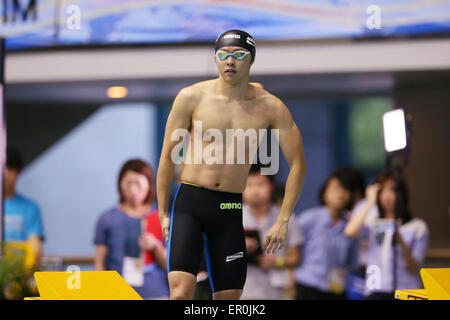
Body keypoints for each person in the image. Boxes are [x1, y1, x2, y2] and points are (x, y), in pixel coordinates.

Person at [156, 29, 307, 300]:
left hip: (229, 206)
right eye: (223, 55)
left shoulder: (271, 107)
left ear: (251, 60)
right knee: (180, 294)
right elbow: (168, 156)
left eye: (238, 55)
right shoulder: (191, 97)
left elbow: (298, 165)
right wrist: (164, 212)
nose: (230, 61)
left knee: (230, 299)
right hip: (191, 201)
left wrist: (283, 219)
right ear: (215, 59)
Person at [344, 169, 429, 300]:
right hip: (375, 288)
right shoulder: (373, 222)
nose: (387, 196)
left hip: (407, 290)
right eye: (382, 191)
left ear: (402, 193)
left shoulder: (417, 226)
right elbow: (350, 231)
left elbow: (414, 268)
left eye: (392, 190)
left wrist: (400, 240)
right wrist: (370, 202)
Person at [93, 159, 169, 299]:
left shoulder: (161, 218)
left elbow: (170, 265)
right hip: (117, 294)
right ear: (120, 184)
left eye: (138, 184)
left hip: (156, 293)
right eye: (128, 183)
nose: (133, 189)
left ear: (149, 185)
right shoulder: (107, 219)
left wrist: (155, 246)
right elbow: (99, 263)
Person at [294, 169, 359, 300]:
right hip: (308, 287)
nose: (340, 194)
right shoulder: (309, 218)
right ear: (325, 194)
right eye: (336, 188)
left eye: (345, 190)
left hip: (337, 290)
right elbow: (292, 248)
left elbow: (352, 263)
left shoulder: (351, 225)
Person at [241, 165, 303, 300]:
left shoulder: (286, 218)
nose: (255, 190)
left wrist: (277, 262)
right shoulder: (233, 217)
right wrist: (239, 247)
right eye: (249, 185)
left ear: (271, 187)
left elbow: (296, 258)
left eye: (260, 184)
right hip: (242, 290)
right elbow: (218, 254)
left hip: (276, 290)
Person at [3, 145, 45, 267]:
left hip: (18, 275)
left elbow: (35, 248)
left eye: (10, 168)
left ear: (18, 172)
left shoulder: (30, 208)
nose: (5, 173)